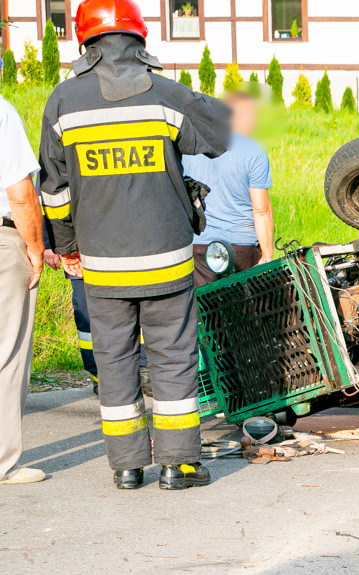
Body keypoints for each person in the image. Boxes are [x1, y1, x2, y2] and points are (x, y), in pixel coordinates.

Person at [40, 0, 229, 490]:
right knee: (172, 358)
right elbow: (219, 136)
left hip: (102, 265)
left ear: (85, 43)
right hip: (167, 260)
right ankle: (178, 465)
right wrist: (189, 94)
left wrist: (68, 248)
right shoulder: (166, 95)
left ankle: (126, 468)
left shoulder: (62, 101)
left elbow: (55, 193)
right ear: (140, 40)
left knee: (115, 361)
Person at [183, 91, 274, 286]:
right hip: (241, 249)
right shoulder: (253, 151)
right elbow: (261, 210)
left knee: (206, 309)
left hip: (199, 247)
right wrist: (267, 255)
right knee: (248, 309)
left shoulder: (191, 147)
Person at [0, 95, 45, 486]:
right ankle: (2, 461)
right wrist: (35, 246)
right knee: (8, 351)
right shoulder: (1, 110)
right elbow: (20, 193)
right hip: (1, 240)